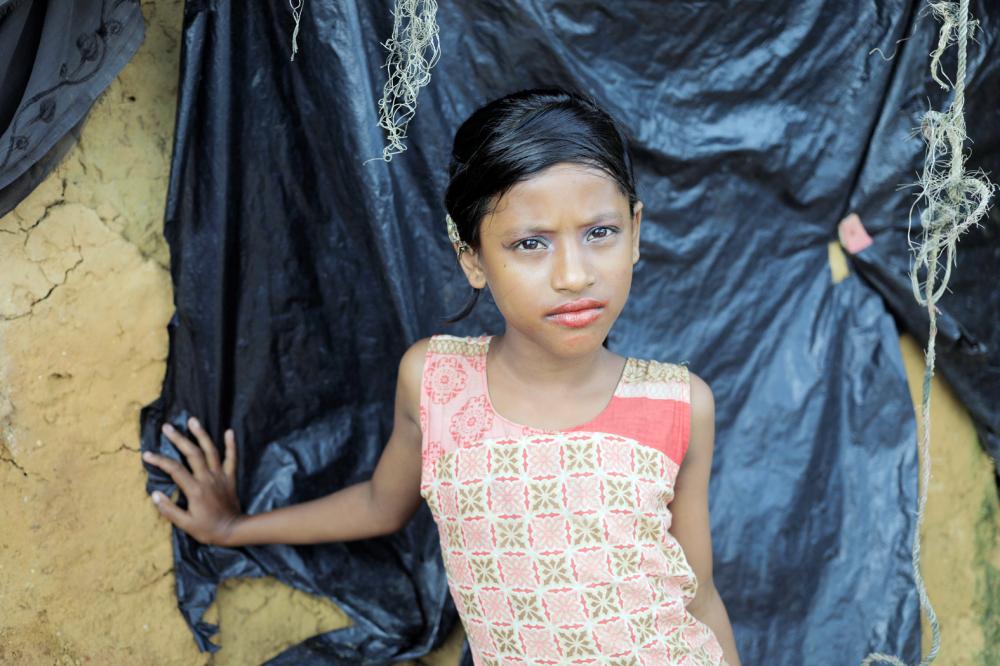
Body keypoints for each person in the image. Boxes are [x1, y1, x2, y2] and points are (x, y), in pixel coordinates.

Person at [142, 88, 742, 666]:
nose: (574, 275)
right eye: (530, 243)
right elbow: (382, 504)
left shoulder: (679, 403)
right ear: (473, 259)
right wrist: (232, 527)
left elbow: (698, 592)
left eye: (600, 233)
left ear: (635, 232)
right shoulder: (435, 380)